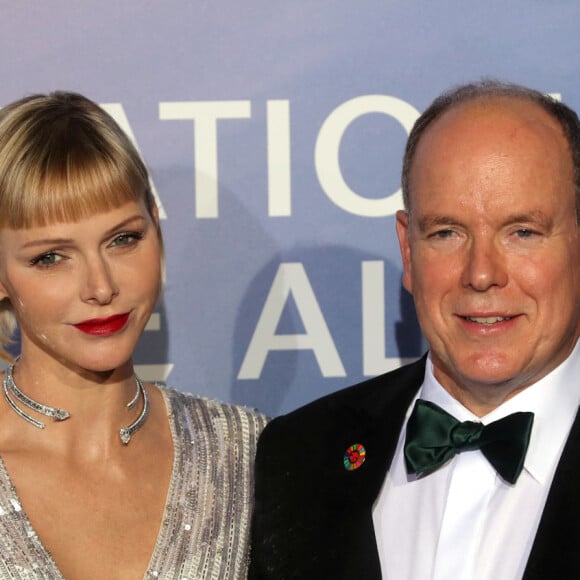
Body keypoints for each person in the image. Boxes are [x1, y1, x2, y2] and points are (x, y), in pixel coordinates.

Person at [248, 80, 580, 580]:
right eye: (447, 232)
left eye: (522, 232)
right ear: (407, 248)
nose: (482, 273)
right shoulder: (299, 456)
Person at [0, 91, 267, 579]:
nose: (101, 287)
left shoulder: (247, 454)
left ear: (156, 230)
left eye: (123, 239)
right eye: (50, 257)